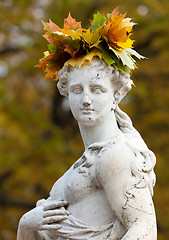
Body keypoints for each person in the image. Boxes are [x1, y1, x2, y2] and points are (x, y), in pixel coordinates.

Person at [17, 59, 157, 240]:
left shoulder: (116, 154)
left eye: (96, 89)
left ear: (117, 95)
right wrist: (26, 226)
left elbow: (144, 227)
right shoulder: (75, 171)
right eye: (77, 90)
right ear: (67, 94)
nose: (86, 100)